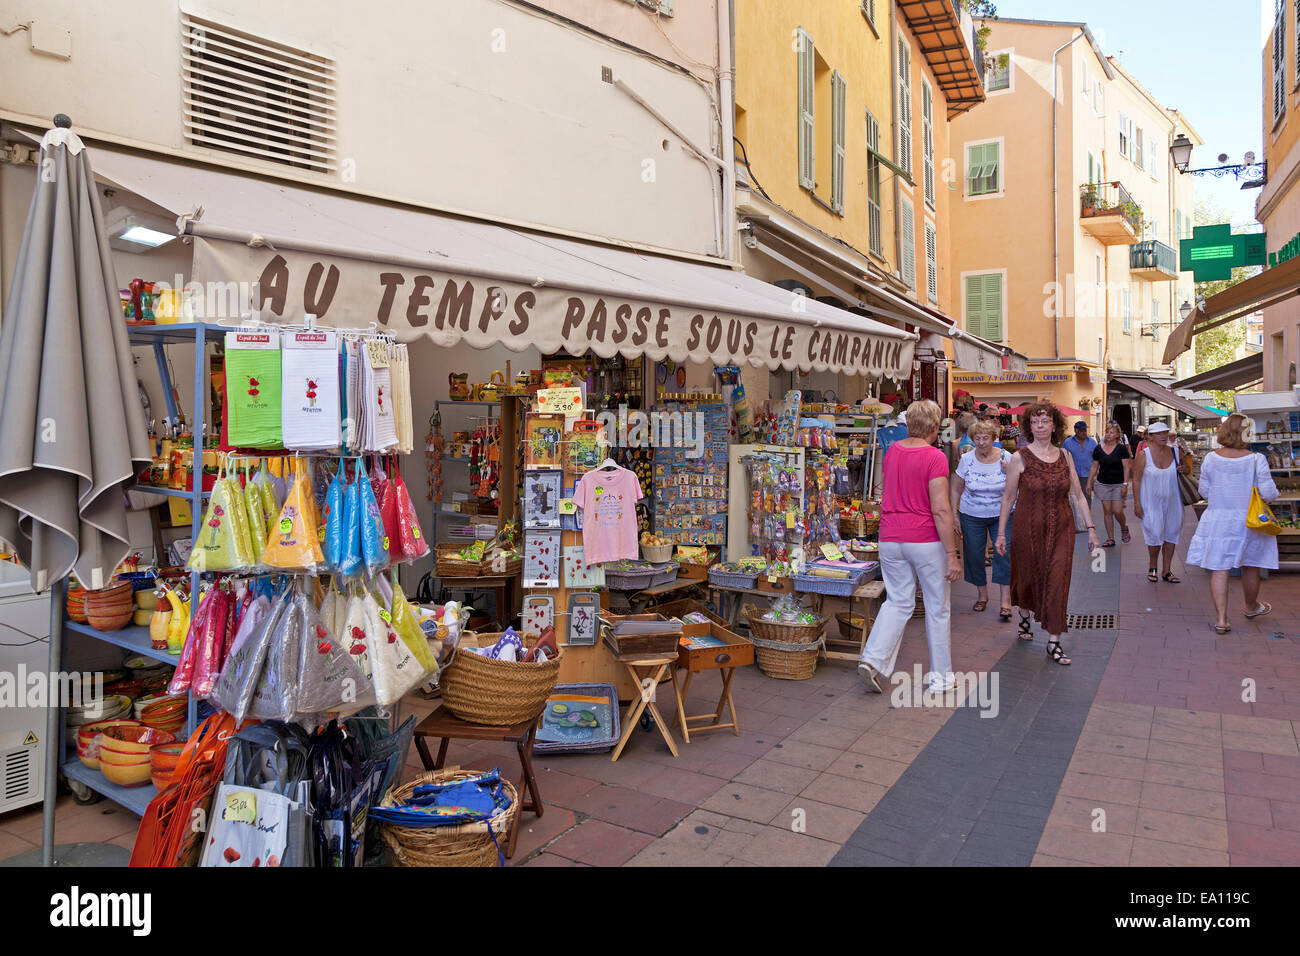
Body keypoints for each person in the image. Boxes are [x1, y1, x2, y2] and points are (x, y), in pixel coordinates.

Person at [859, 399, 961, 695]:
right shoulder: (935, 457)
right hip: (925, 539)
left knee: (898, 601)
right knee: (937, 608)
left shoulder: (892, 453)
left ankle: (873, 659)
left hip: (891, 537)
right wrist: (952, 554)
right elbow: (941, 509)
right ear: (934, 426)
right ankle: (942, 677)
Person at [996, 403, 1099, 664]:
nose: (1040, 426)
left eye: (1045, 421)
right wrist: (999, 534)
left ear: (1055, 425)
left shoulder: (1066, 457)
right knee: (1028, 577)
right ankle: (1025, 617)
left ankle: (1054, 642)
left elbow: (1078, 495)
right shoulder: (1019, 457)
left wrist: (1091, 529)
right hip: (1027, 530)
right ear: (1029, 427)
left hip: (1062, 529)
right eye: (1035, 422)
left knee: (1057, 580)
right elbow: (1008, 499)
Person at [1185, 413, 1279, 633]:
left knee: (1219, 567)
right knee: (1251, 564)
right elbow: (1268, 492)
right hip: (1249, 520)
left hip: (1218, 519)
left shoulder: (1210, 458)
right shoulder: (1257, 459)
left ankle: (1221, 619)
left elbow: (1204, 490)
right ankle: (1250, 606)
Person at [952, 419, 1014, 620]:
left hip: (1002, 514)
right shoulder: (967, 459)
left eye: (985, 438)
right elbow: (956, 488)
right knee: (974, 555)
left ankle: (1005, 601)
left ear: (993, 439)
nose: (981, 442)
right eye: (977, 438)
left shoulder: (1007, 457)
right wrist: (955, 514)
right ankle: (982, 595)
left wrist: (1009, 473)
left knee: (1003, 554)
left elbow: (1019, 486)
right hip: (972, 514)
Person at [1131, 421, 1189, 583]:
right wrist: (1136, 503)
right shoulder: (1143, 455)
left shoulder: (1176, 451)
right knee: (1154, 533)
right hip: (1151, 501)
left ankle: (1167, 570)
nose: (1164, 436)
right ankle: (1153, 566)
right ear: (1150, 436)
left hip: (1173, 501)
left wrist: (1184, 469)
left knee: (1172, 534)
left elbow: (1187, 468)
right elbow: (1136, 480)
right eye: (1159, 434)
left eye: (1165, 432)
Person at [1087, 422, 1133, 546]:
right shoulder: (1098, 449)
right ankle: (1111, 538)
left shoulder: (1121, 449)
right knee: (1107, 511)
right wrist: (1089, 481)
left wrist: (1125, 484)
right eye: (1107, 431)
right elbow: (1094, 466)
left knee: (1117, 510)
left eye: (1111, 432)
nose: (1108, 434)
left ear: (1118, 434)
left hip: (1118, 484)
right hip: (1103, 483)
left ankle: (1124, 528)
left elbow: (1126, 467)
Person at [1062, 421, 1099, 507]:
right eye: (1081, 430)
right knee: (1074, 497)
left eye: (1085, 430)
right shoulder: (1068, 442)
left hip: (1087, 475)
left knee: (1087, 496)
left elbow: (1097, 458)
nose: (1084, 433)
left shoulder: (1092, 442)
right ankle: (1075, 517)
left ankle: (1087, 517)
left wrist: (1097, 471)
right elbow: (1062, 457)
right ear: (1076, 431)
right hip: (1072, 475)